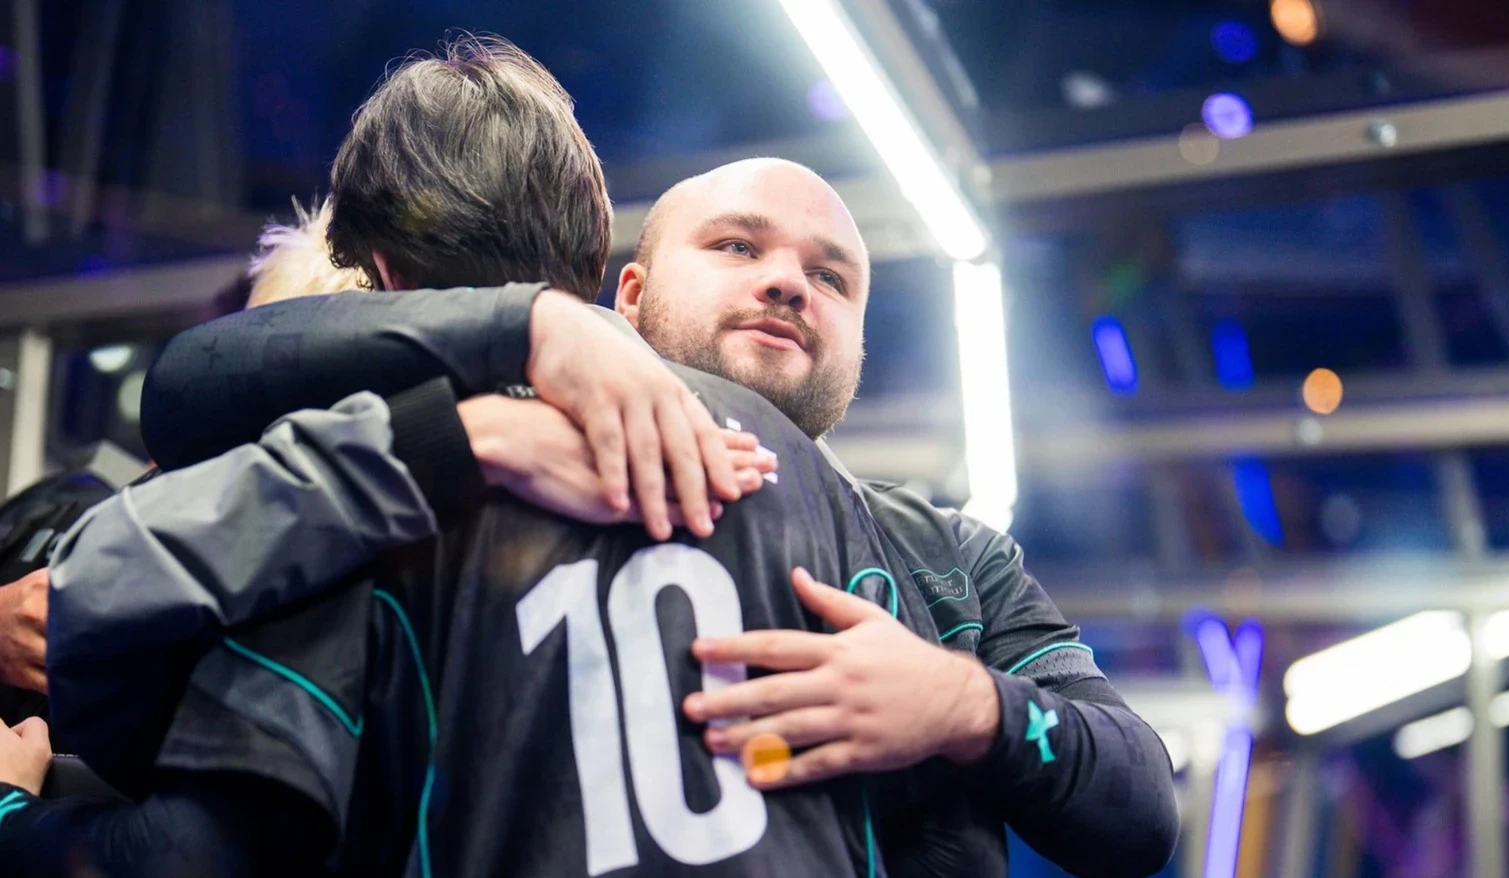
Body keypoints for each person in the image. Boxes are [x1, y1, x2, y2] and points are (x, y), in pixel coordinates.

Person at [26, 47, 1177, 878]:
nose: (787, 280)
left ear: (862, 340)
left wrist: (966, 703)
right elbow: (200, 378)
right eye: (736, 244)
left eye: (832, 275)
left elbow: (1140, 805)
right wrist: (517, 342)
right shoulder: (431, 475)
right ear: (621, 293)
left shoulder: (942, 559)